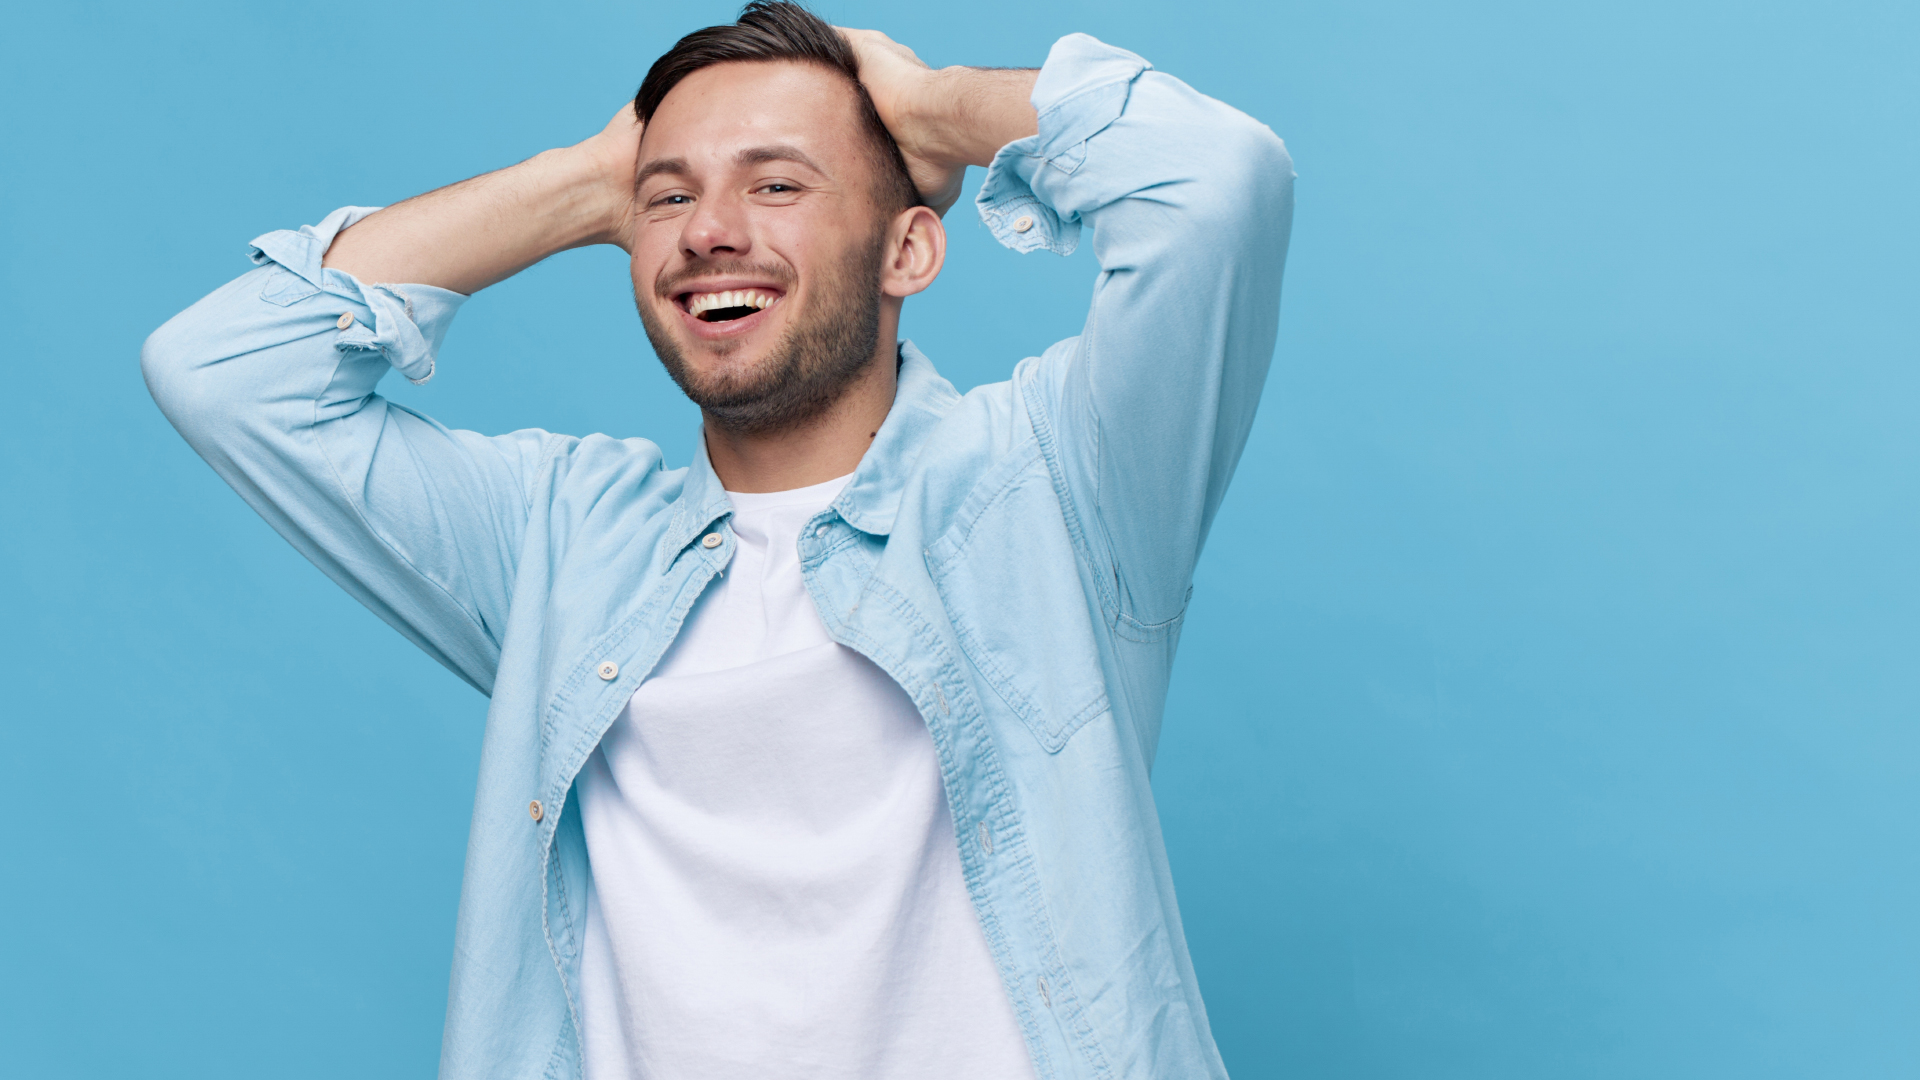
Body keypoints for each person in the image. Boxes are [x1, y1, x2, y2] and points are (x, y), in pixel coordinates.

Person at [143, 2, 1292, 1076]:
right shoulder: (562, 538)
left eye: (778, 184)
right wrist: (591, 180)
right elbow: (226, 373)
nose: (712, 233)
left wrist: (934, 105)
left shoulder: (1055, 485)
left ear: (911, 253)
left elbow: (1216, 182)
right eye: (672, 200)